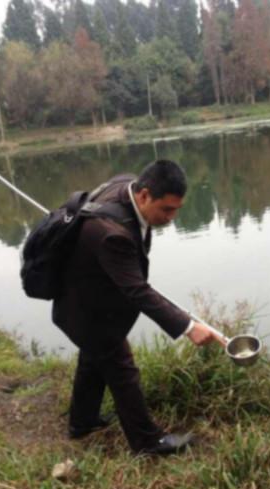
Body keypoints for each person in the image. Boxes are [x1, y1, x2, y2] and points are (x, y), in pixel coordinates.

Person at [52, 160, 219, 455]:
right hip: (88, 311)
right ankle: (147, 442)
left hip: (83, 298)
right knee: (122, 370)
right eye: (167, 209)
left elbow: (129, 279)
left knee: (93, 361)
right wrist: (188, 327)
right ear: (143, 195)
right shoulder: (111, 234)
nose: (172, 217)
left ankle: (83, 423)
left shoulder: (126, 185)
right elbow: (137, 291)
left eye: (177, 209)